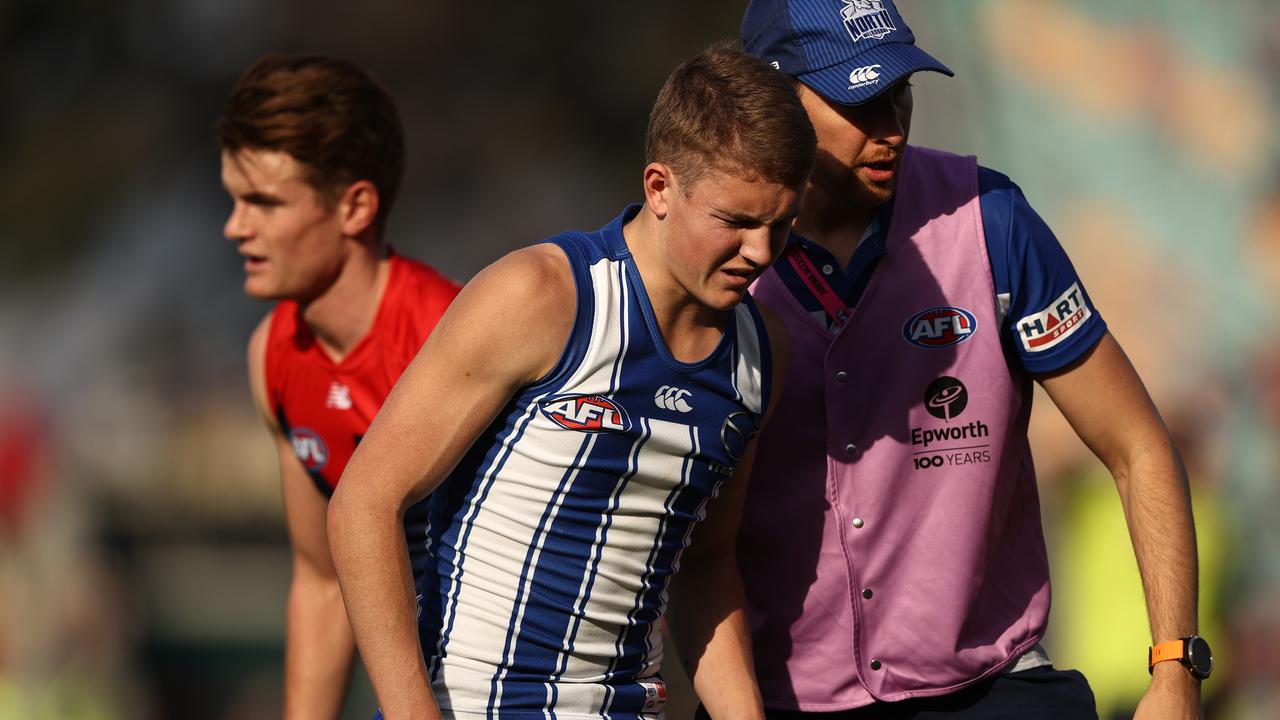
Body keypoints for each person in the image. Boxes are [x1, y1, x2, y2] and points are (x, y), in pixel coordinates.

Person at [731, 1, 1206, 718]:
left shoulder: (994, 220)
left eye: (900, 93)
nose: (891, 127)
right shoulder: (711, 251)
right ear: (769, 101)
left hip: (994, 691)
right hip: (779, 701)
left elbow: (1137, 445)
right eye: (859, 101)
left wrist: (1175, 670)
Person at [327, 43, 816, 720]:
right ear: (659, 188)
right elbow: (364, 505)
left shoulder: (762, 353)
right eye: (735, 221)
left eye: (781, 224)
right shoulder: (540, 296)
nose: (761, 252)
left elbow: (706, 564)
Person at [217, 54, 461, 719]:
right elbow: (324, 582)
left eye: (263, 202)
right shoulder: (272, 352)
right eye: (234, 200)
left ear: (355, 205)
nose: (235, 227)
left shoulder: (451, 335)